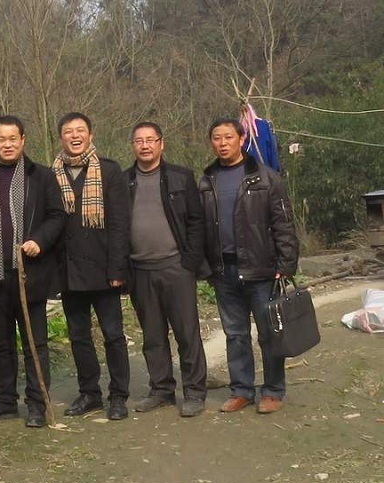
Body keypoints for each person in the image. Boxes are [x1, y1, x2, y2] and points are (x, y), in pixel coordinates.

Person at [0, 115, 66, 428]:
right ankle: (5, 401)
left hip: (30, 274)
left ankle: (37, 403)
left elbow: (57, 216)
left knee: (35, 344)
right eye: (1, 139)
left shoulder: (42, 176)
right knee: (1, 344)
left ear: (23, 140)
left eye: (13, 139)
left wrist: (39, 240)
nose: (7, 145)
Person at [200, 118, 299, 414]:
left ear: (242, 139)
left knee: (269, 333)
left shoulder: (267, 178)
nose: (222, 143)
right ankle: (241, 390)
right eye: (217, 138)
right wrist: (205, 266)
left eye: (228, 137)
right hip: (224, 271)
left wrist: (286, 264)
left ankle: (273, 390)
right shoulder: (207, 180)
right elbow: (200, 227)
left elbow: (284, 224)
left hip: (262, 269)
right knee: (235, 334)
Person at [50, 112, 132, 420]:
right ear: (61, 137)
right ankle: (89, 393)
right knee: (79, 336)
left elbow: (120, 224)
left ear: (90, 135)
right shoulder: (51, 174)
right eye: (68, 131)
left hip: (103, 269)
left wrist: (118, 269)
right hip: (68, 271)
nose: (75, 136)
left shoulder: (109, 171)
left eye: (80, 130)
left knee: (113, 335)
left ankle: (119, 395)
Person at [125, 121, 208, 418]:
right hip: (140, 270)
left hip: (176, 267)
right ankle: (161, 389)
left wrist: (190, 263)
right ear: (133, 146)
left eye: (150, 140)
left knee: (187, 333)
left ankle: (194, 391)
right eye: (139, 141)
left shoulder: (180, 177)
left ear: (161, 143)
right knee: (153, 336)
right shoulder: (123, 181)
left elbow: (196, 221)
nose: (145, 145)